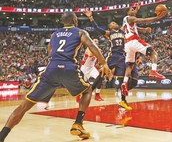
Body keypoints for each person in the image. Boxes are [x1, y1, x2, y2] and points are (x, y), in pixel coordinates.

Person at [0, 12, 110, 142]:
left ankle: (2, 137)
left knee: (24, 106)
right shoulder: (80, 32)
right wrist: (104, 63)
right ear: (75, 20)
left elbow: (49, 52)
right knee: (87, 91)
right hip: (69, 68)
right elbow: (92, 46)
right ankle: (78, 123)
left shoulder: (54, 34)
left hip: (51, 68)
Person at [84, 10, 138, 110]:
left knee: (122, 80)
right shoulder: (109, 33)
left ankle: (123, 100)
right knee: (102, 74)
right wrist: (91, 17)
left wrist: (136, 11)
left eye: (114, 22)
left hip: (122, 57)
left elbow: (130, 21)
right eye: (112, 23)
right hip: (113, 56)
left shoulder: (122, 31)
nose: (114, 23)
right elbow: (97, 28)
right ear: (110, 27)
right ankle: (90, 90)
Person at [121, 2, 167, 96]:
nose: (134, 10)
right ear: (128, 12)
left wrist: (144, 30)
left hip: (127, 44)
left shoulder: (126, 21)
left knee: (130, 65)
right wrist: (156, 18)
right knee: (153, 53)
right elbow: (143, 20)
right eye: (132, 9)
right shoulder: (130, 18)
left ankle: (124, 82)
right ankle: (153, 71)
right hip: (134, 40)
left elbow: (135, 27)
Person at [76, 38, 104, 102]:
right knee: (82, 84)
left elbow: (98, 60)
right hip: (84, 68)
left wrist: (99, 64)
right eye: (94, 41)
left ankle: (97, 95)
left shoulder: (97, 49)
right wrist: (98, 52)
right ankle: (78, 96)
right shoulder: (89, 48)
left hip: (92, 68)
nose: (96, 41)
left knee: (100, 77)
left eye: (97, 41)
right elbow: (90, 54)